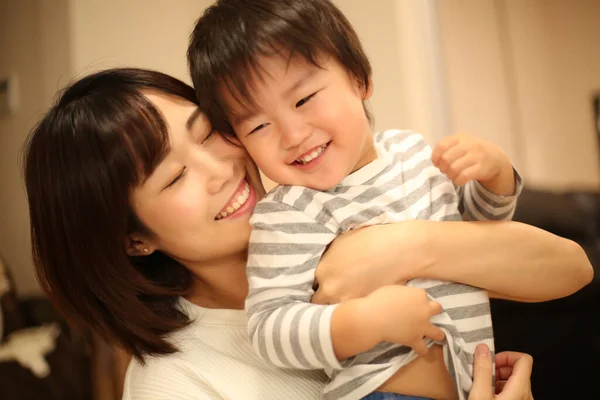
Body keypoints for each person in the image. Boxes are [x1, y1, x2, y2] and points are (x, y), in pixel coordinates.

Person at [23, 68, 591, 400]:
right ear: (134, 239)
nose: (221, 169)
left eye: (210, 133)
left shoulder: (329, 218)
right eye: (174, 177)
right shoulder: (176, 382)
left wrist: (402, 244)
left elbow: (572, 268)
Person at [188, 1, 521, 398]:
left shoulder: (411, 151)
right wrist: (362, 321)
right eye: (258, 124)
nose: (292, 134)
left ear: (359, 79)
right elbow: (268, 326)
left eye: (303, 99)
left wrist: (496, 176)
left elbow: (477, 234)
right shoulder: (288, 212)